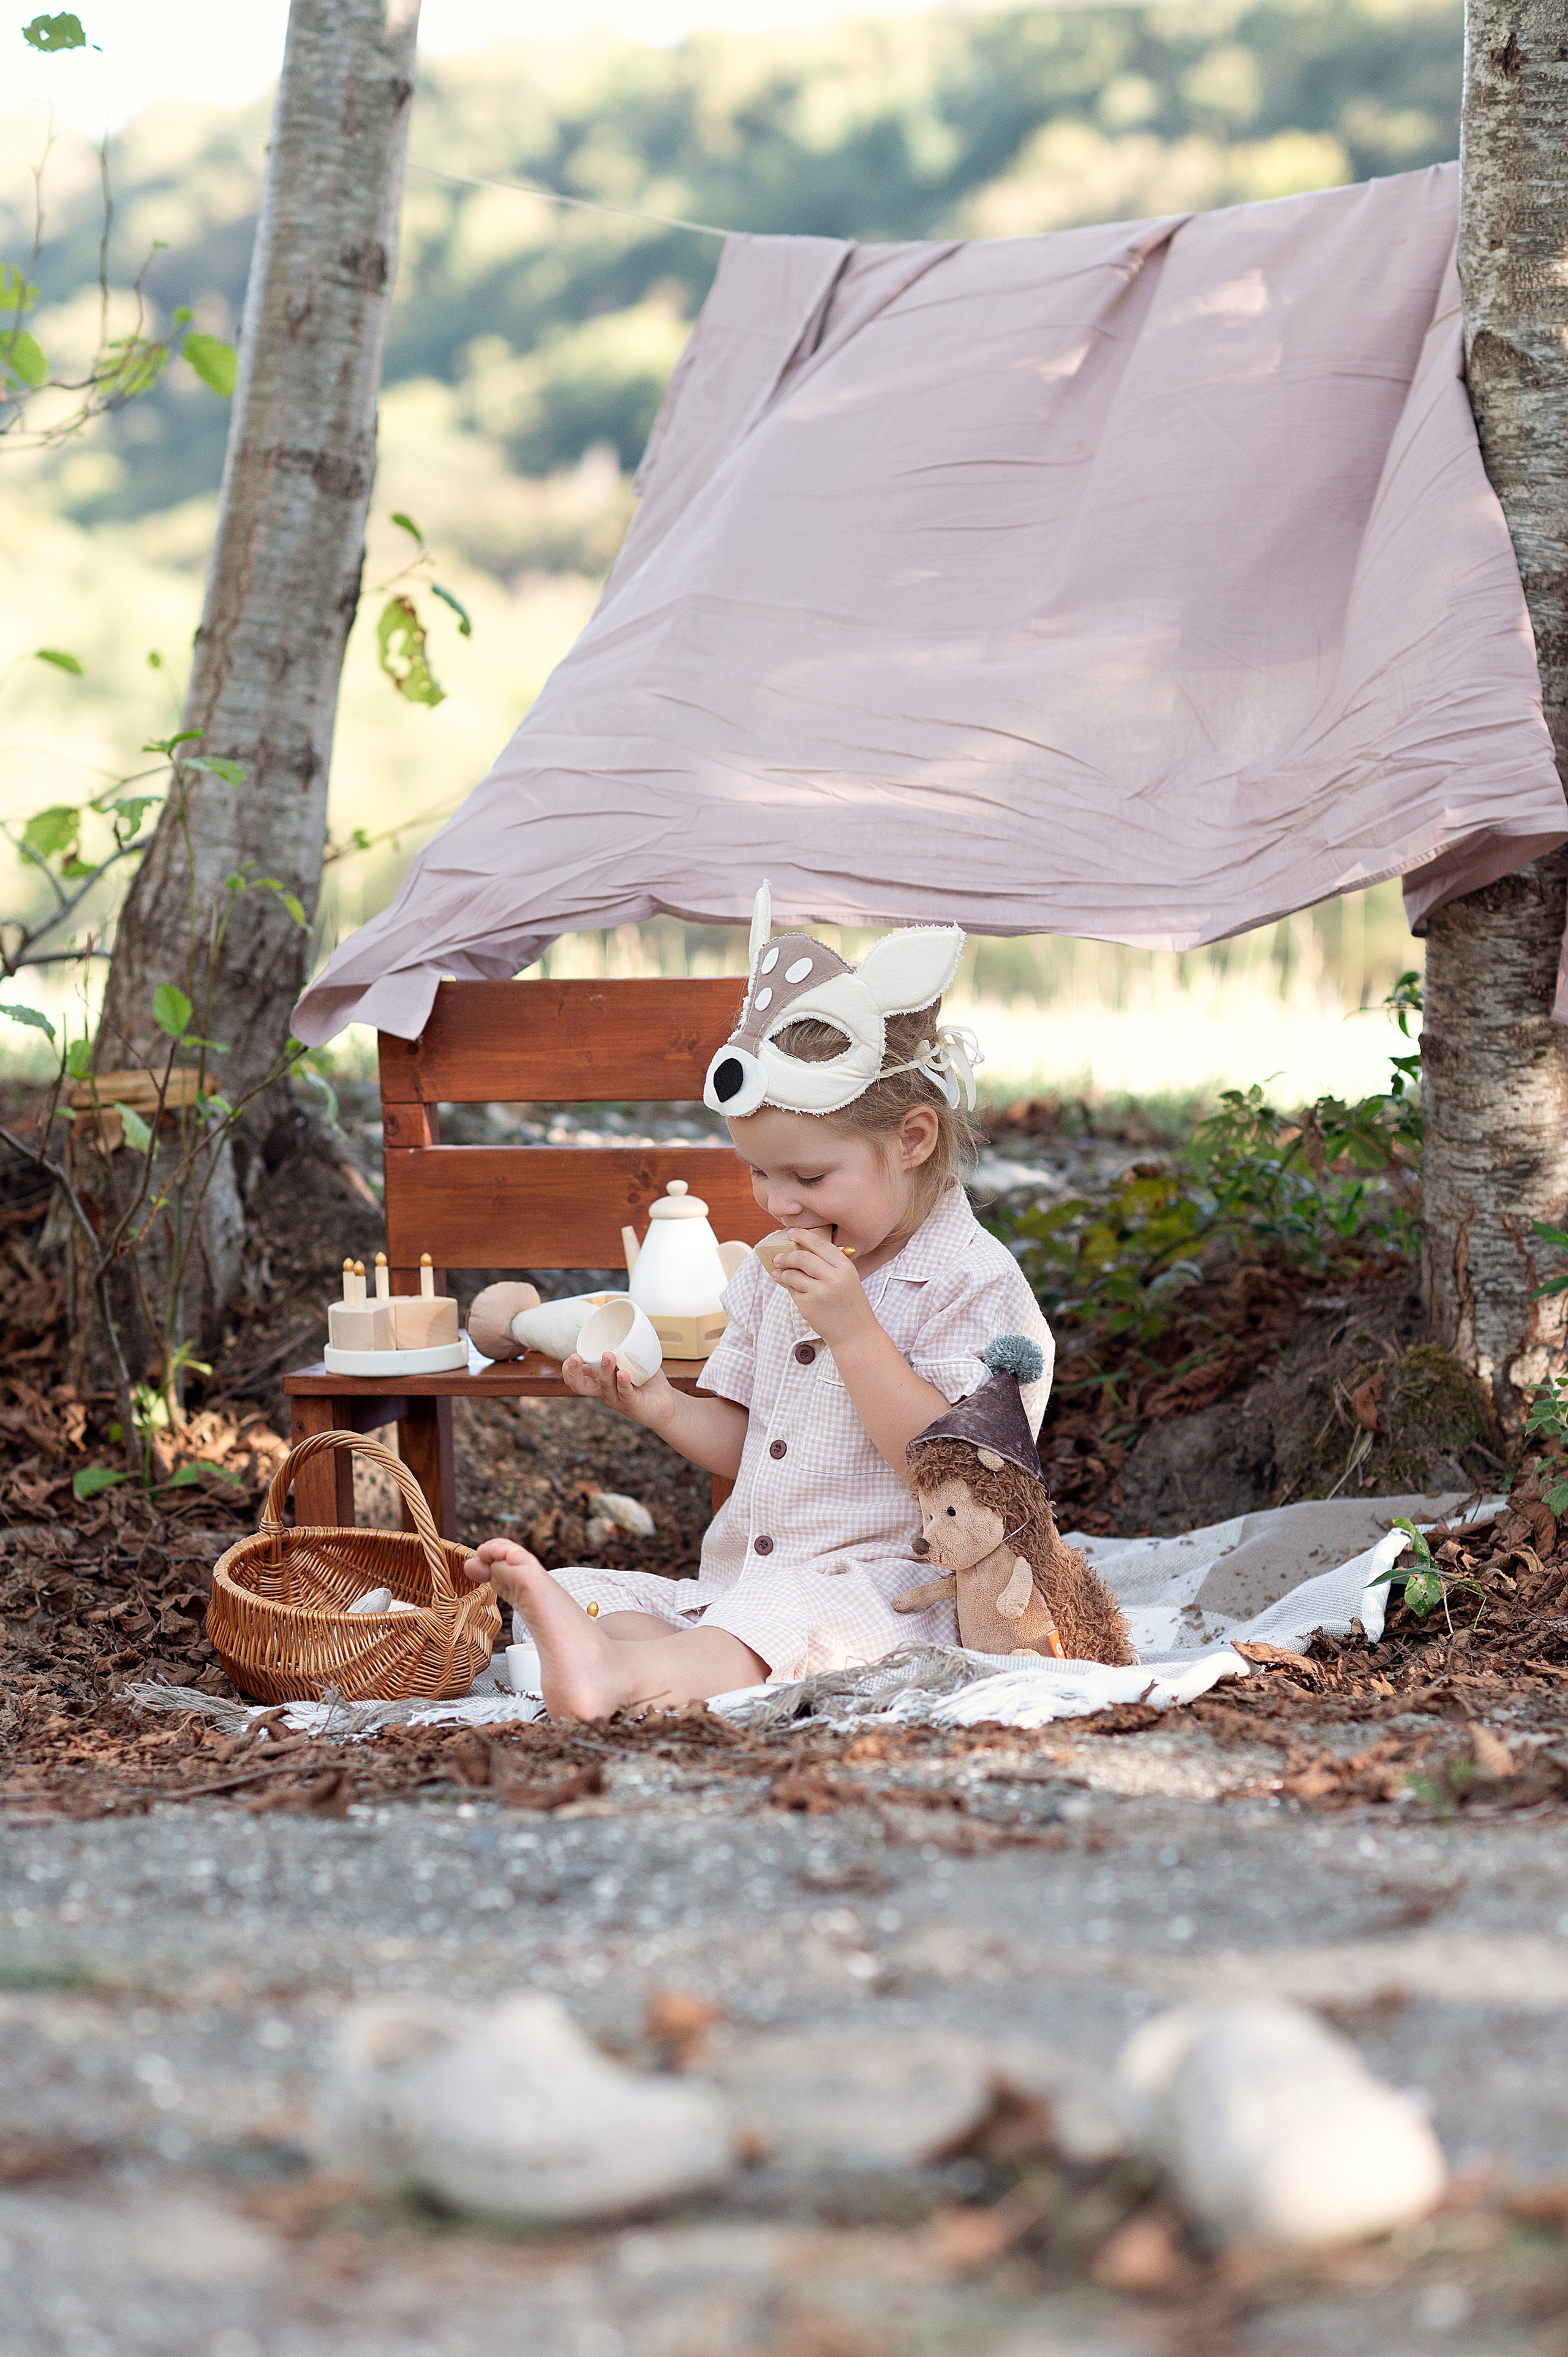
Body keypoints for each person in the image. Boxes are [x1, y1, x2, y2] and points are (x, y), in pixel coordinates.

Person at [463, 887, 1054, 1721]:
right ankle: (628, 1659)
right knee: (588, 1592)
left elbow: (959, 1480)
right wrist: (661, 1405)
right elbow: (752, 1446)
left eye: (809, 1177)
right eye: (758, 1172)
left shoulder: (972, 1283)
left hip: (895, 1587)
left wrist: (854, 1331)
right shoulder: (772, 1273)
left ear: (912, 1140)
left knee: (787, 1621)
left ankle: (625, 1678)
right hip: (748, 1582)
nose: (778, 1203)